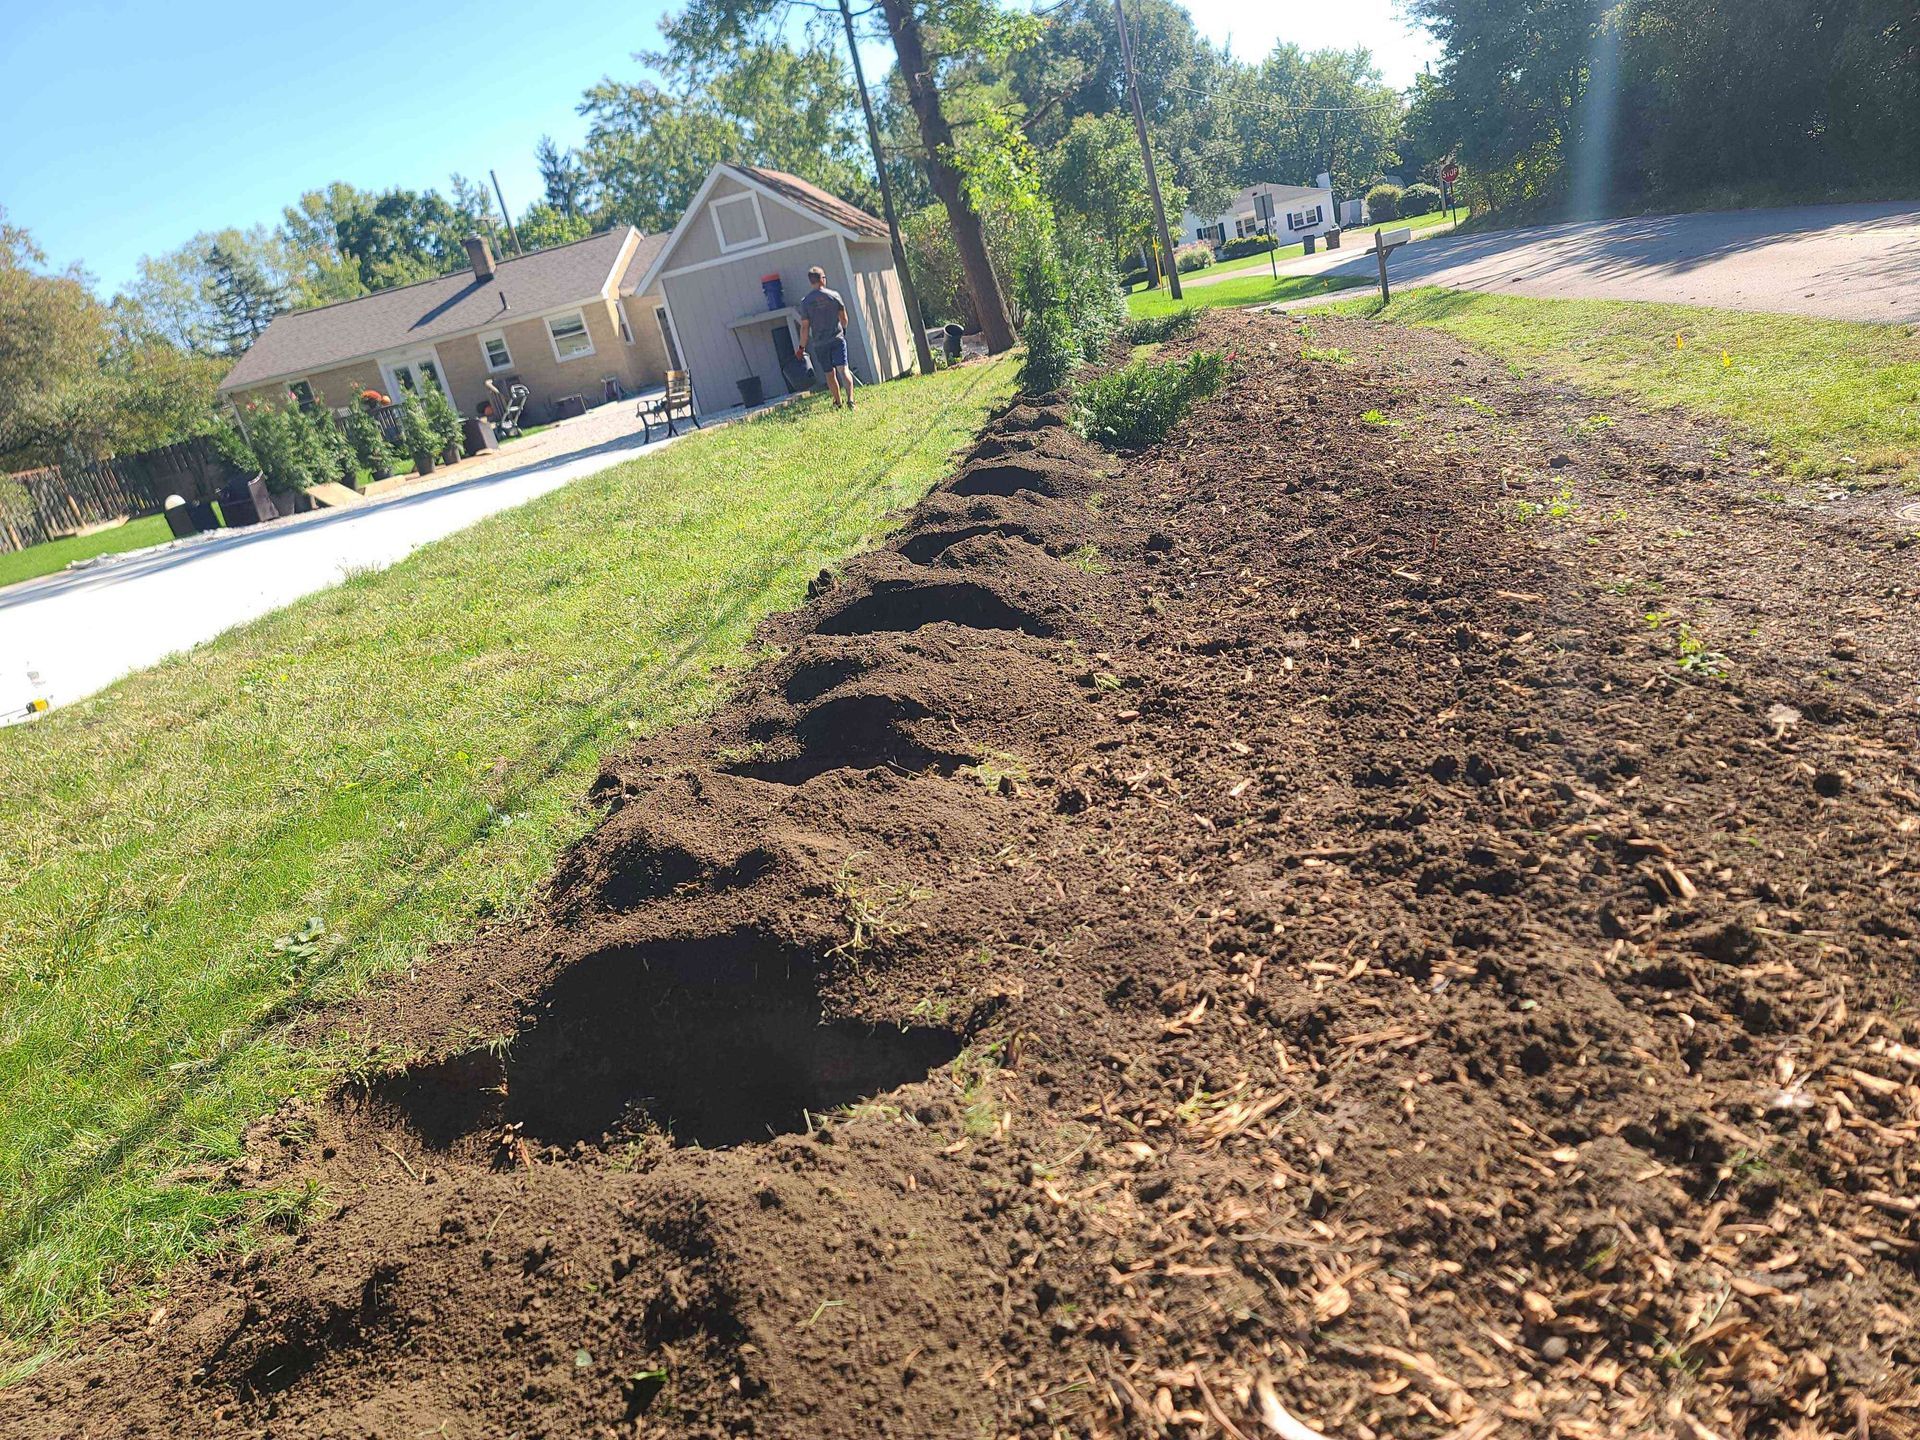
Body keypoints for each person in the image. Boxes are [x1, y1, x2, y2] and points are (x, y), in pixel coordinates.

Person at [796, 266, 854, 409]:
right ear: (822, 279)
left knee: (829, 373)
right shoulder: (834, 296)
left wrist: (801, 347)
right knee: (843, 369)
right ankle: (851, 400)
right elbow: (844, 318)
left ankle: (838, 402)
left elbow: (804, 327)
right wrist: (843, 330)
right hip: (837, 338)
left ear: (811, 281)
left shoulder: (806, 302)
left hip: (820, 343)